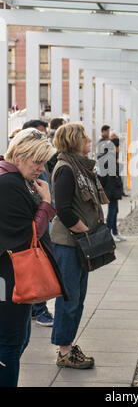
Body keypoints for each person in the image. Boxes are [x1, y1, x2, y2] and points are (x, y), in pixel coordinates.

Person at [0, 128, 66, 387]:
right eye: (36, 161)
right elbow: (28, 235)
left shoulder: (14, 180)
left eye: (43, 161)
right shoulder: (9, 184)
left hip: (13, 274)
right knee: (11, 343)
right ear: (18, 155)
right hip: (11, 275)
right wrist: (47, 204)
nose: (41, 167)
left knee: (17, 339)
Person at [50, 122, 108, 369]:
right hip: (69, 243)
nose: (88, 140)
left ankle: (68, 346)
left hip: (76, 243)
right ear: (74, 140)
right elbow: (62, 208)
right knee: (70, 297)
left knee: (78, 296)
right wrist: (85, 230)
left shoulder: (80, 167)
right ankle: (64, 351)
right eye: (84, 136)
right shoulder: (66, 169)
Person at [22, 119, 54, 326]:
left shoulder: (36, 168)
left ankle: (37, 308)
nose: (40, 167)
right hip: (32, 230)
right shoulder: (13, 180)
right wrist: (46, 203)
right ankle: (39, 309)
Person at [99, 135, 126, 243]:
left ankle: (114, 231)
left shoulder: (110, 156)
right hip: (111, 188)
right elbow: (112, 171)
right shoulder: (109, 157)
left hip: (113, 187)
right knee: (112, 211)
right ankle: (109, 232)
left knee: (115, 210)